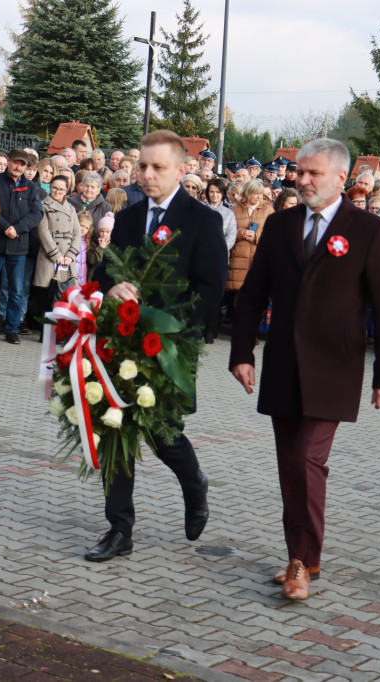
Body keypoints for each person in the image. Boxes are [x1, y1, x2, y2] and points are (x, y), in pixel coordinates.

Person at [229, 138, 380, 600]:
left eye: (312, 174)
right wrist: (241, 353)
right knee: (291, 464)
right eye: (298, 172)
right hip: (284, 364)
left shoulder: (369, 230)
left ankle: (299, 563)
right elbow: (252, 295)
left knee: (308, 458)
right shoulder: (281, 225)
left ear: (341, 178)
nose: (301, 180)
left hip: (334, 368)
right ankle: (308, 553)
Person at [86, 129, 227, 563]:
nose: (146, 174)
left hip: (169, 346)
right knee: (116, 429)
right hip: (121, 342)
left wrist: (164, 320)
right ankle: (119, 529)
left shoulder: (203, 221)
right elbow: (106, 271)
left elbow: (211, 289)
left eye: (157, 167)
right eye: (142, 165)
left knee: (163, 434)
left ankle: (194, 482)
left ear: (181, 170)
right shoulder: (126, 217)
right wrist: (110, 291)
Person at [0, 148, 42, 344]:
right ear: (9, 161)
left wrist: (18, 228)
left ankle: (11, 329)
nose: (18, 167)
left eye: (23, 165)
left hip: (19, 246)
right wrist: (6, 227)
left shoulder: (31, 188)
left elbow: (36, 214)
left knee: (16, 291)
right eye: (16, 163)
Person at [33, 175, 80, 303]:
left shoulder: (71, 208)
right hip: (50, 257)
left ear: (66, 191)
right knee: (46, 297)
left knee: (66, 298)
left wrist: (70, 255)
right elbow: (43, 232)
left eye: (61, 189)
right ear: (50, 188)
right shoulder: (43, 206)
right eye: (54, 188)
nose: (57, 192)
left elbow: (77, 233)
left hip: (67, 259)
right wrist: (56, 255)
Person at [204, 177, 237, 343]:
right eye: (211, 192)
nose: (214, 195)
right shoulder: (200, 210)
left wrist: (218, 250)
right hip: (201, 258)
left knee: (216, 295)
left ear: (223, 194)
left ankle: (211, 330)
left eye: (217, 192)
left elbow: (231, 236)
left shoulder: (229, 213)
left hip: (219, 260)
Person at [226, 179, 271, 297]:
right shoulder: (233, 210)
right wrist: (241, 233)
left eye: (261, 193)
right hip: (238, 259)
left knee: (257, 297)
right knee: (239, 296)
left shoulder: (268, 210)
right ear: (247, 193)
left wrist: (257, 237)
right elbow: (226, 234)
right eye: (255, 193)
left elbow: (274, 236)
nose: (259, 196)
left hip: (258, 258)